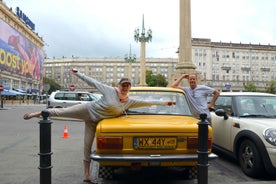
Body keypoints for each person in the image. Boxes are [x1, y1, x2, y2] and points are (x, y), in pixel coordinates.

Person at [23, 68, 175, 184]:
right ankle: (36, 114)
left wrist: (165, 103)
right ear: (118, 85)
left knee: (87, 146)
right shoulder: (109, 91)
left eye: (128, 86)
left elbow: (146, 102)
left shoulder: (129, 101)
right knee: (62, 112)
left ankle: (87, 175)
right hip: (88, 109)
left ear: (130, 87)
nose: (125, 88)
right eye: (123, 85)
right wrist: (78, 74)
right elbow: (93, 83)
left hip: (95, 122)